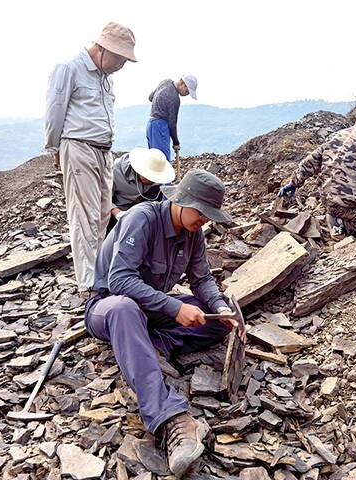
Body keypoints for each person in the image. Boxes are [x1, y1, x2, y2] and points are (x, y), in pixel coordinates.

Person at [85, 169, 238, 476]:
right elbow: (119, 280)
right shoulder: (141, 218)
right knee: (126, 309)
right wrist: (173, 306)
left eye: (210, 216)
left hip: (151, 310)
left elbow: (202, 278)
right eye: (201, 213)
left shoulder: (193, 234)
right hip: (108, 307)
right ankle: (168, 417)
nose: (204, 221)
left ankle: (150, 347)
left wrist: (221, 307)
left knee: (218, 319)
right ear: (182, 200)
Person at [44, 22, 137, 296]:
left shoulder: (105, 77)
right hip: (78, 147)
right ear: (102, 48)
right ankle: (88, 284)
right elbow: (54, 110)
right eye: (119, 58)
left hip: (104, 151)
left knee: (101, 215)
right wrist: (55, 150)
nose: (121, 64)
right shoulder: (70, 68)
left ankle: (100, 272)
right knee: (83, 217)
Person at [109, 148, 174, 229]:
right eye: (149, 177)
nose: (153, 181)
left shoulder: (157, 181)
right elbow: (103, 199)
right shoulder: (116, 171)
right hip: (116, 212)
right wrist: (117, 213)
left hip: (140, 213)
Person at [147, 75, 198, 162]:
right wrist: (176, 142)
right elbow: (172, 124)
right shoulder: (174, 98)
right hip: (161, 127)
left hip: (151, 124)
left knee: (153, 160)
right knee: (162, 161)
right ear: (182, 83)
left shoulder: (166, 81)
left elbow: (151, 97)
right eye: (188, 91)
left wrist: (160, 102)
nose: (187, 94)